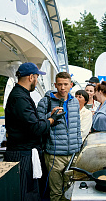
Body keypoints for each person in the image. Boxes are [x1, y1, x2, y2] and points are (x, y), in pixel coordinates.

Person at [4, 62, 59, 201]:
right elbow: (34, 128)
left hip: (25, 152)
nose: (37, 80)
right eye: (36, 77)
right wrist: (52, 120)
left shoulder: (21, 95)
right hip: (22, 155)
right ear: (30, 77)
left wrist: (47, 118)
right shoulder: (20, 98)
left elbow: (30, 122)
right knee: (26, 194)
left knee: (30, 192)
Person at [37, 72, 82, 201]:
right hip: (54, 156)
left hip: (73, 155)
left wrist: (78, 148)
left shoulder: (74, 102)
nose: (62, 87)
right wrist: (50, 116)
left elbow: (77, 127)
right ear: (55, 85)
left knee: (72, 191)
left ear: (71, 85)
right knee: (56, 192)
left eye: (65, 84)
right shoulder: (46, 101)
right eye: (60, 84)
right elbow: (37, 124)